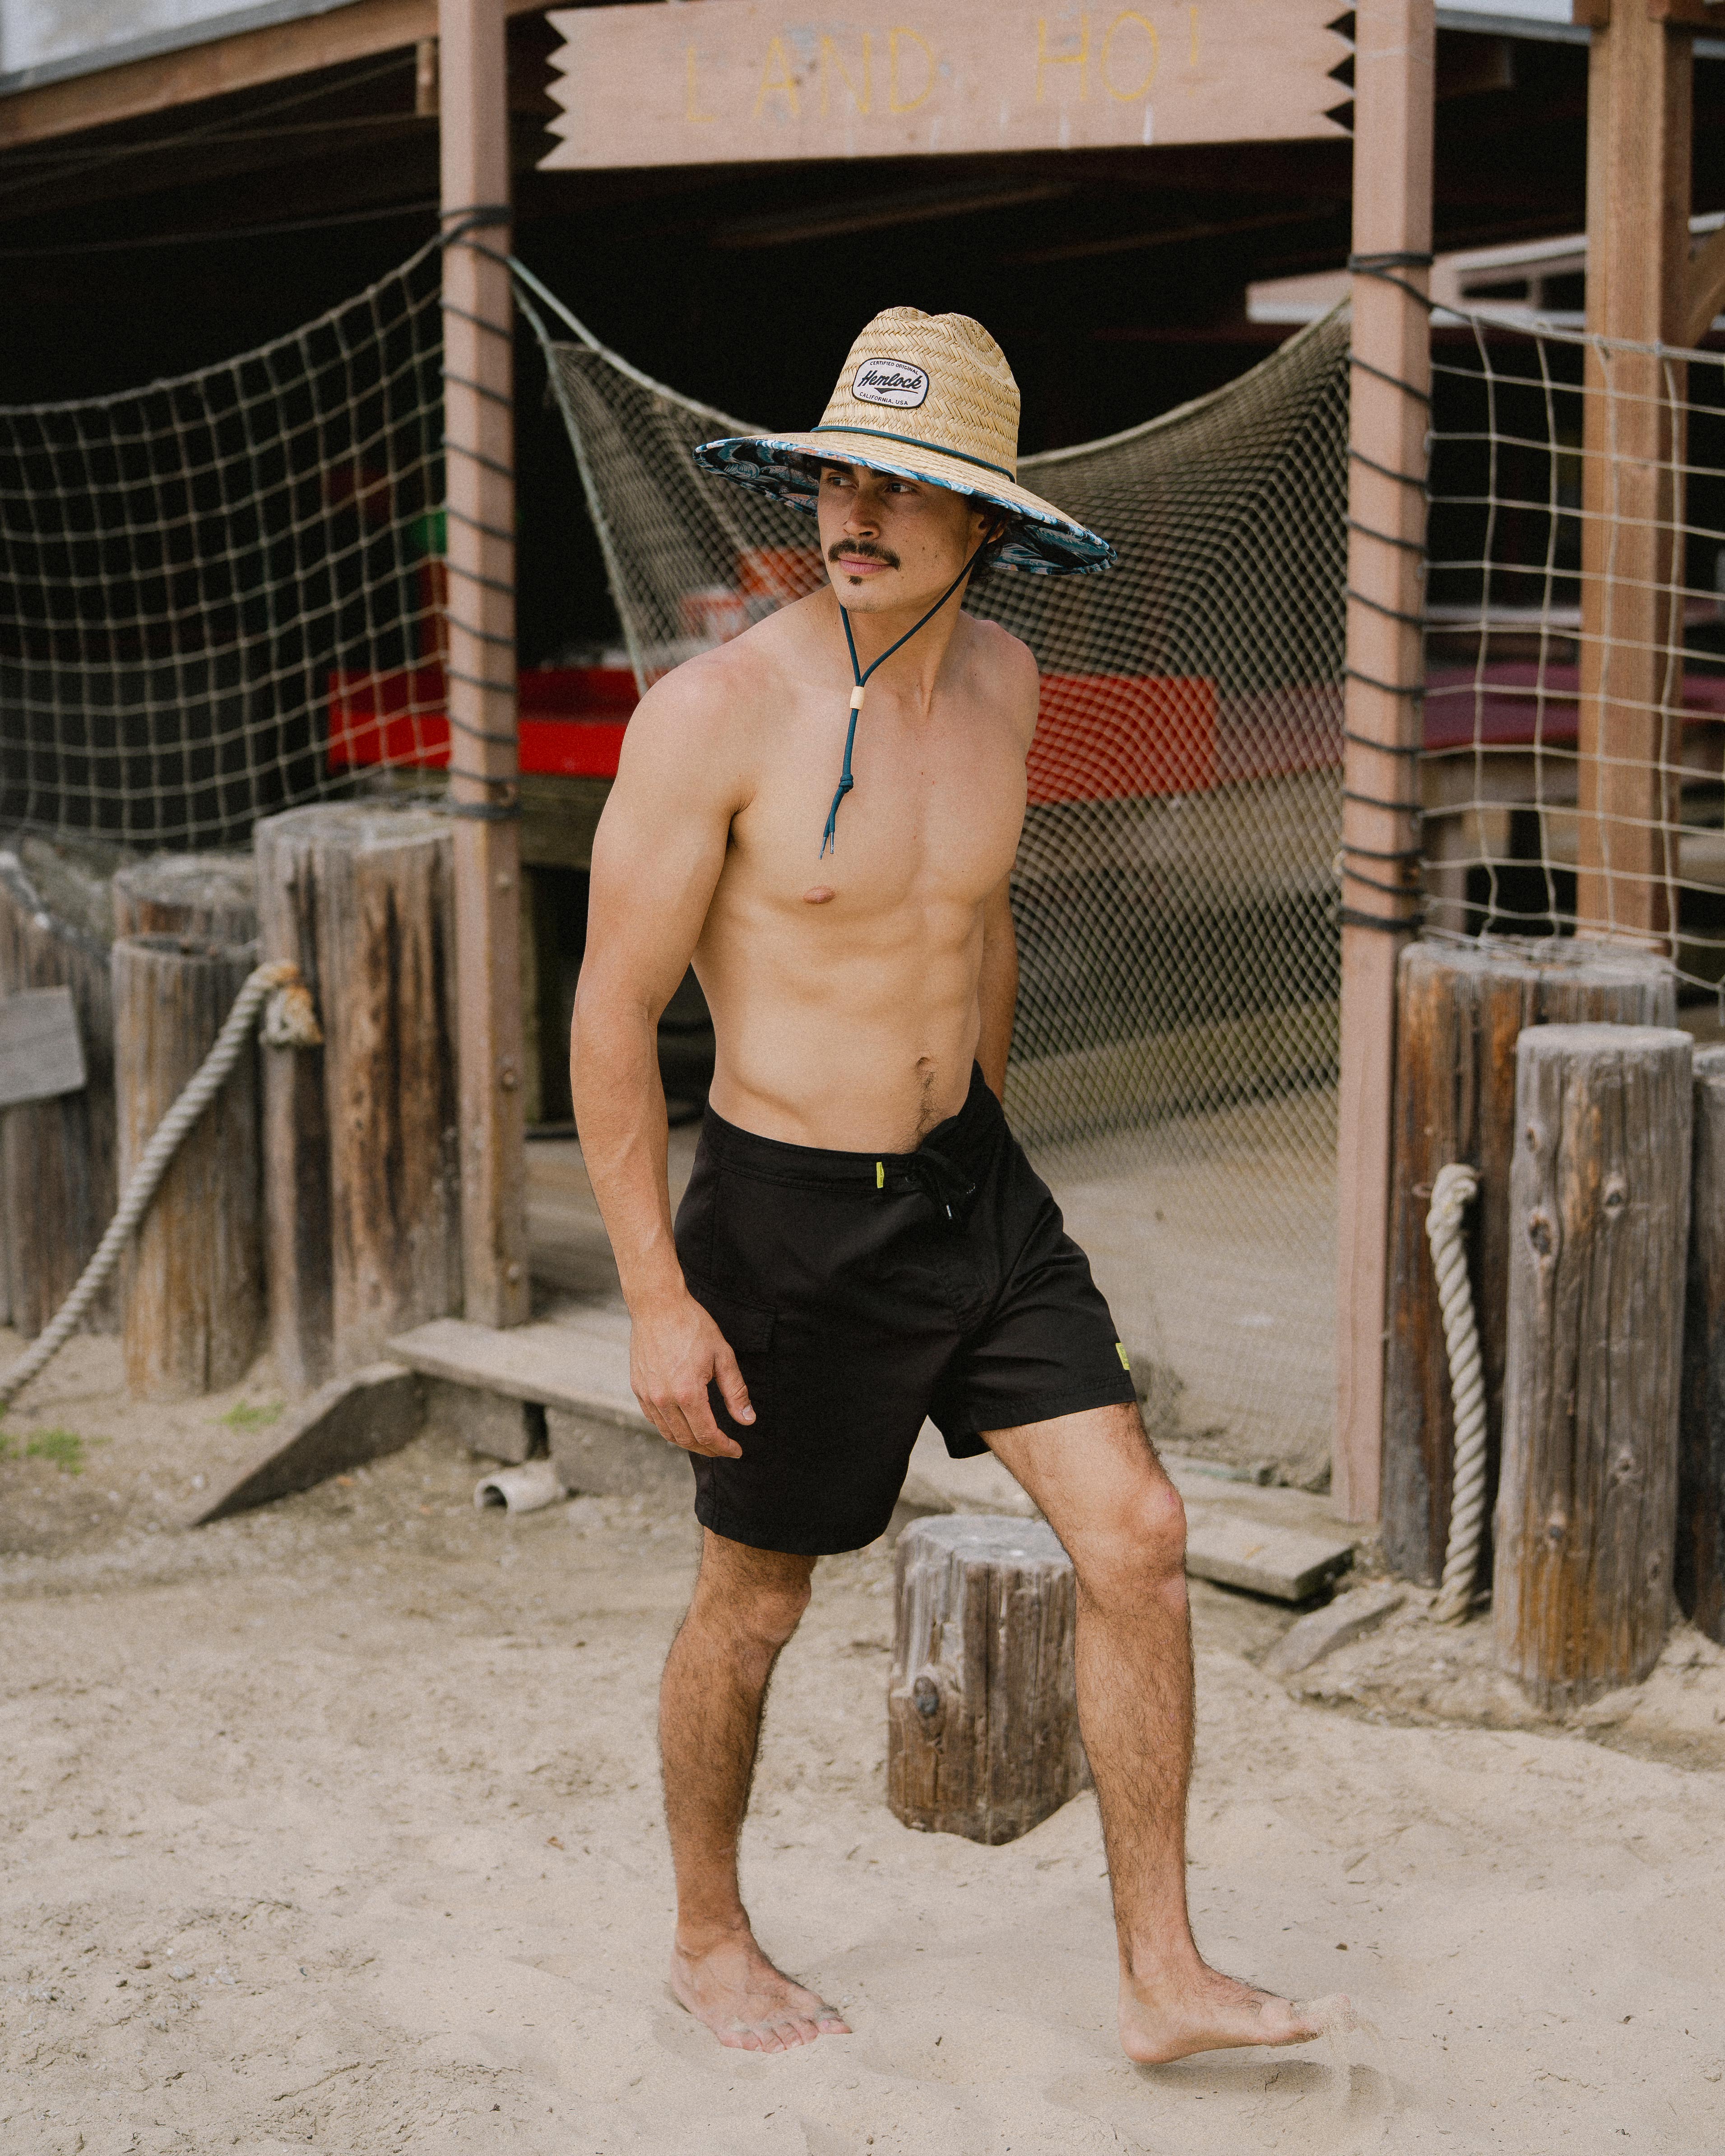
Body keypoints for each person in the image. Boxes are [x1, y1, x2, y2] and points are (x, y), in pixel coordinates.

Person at [570, 307, 1333, 2063]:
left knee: (1136, 1537)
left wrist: (977, 1135)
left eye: (902, 483)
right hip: (781, 1221)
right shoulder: (715, 716)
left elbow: (977, 925)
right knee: (754, 1600)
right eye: (839, 470)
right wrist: (653, 1294)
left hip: (972, 1193)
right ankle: (706, 1937)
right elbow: (608, 1017)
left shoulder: (1005, 680)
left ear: (980, 520)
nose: (856, 507)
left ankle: (1161, 1974)